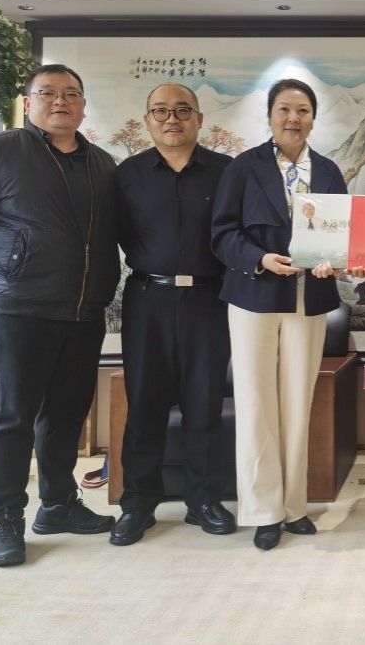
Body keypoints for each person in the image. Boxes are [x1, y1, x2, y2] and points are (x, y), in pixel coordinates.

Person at [0, 64, 120, 567]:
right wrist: (7, 272)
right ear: (28, 103)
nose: (60, 101)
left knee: (66, 415)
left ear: (83, 105)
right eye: (48, 93)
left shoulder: (101, 163)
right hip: (21, 307)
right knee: (13, 417)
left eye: (71, 94)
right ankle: (5, 518)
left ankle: (58, 504)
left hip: (84, 310)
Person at [211, 78, 348, 551]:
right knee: (255, 403)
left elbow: (339, 235)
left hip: (309, 300)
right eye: (284, 109)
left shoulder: (328, 171)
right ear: (269, 116)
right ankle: (263, 511)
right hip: (253, 296)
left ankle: (294, 507)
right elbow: (223, 232)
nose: (293, 118)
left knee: (296, 402)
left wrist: (333, 259)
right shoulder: (243, 168)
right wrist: (259, 259)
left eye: (303, 110)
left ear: (313, 118)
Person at [110, 83, 235, 546]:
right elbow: (119, 234)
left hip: (209, 300)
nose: (172, 119)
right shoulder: (128, 174)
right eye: (160, 111)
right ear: (147, 120)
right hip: (149, 299)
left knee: (204, 404)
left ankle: (203, 501)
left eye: (183, 110)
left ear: (199, 119)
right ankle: (138, 503)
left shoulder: (226, 172)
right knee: (144, 404)